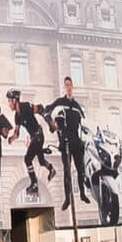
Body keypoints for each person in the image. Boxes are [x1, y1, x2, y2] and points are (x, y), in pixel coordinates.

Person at [45, 76, 90, 212]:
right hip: (65, 141)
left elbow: (85, 123)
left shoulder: (77, 106)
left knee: (80, 168)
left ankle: (82, 193)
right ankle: (67, 199)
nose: (68, 87)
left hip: (76, 141)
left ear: (72, 87)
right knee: (67, 171)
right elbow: (47, 112)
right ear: (64, 87)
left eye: (70, 85)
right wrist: (51, 123)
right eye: (66, 85)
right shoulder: (60, 103)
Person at [7, 89, 56, 196]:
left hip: (38, 135)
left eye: (10, 101)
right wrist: (11, 138)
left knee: (27, 159)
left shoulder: (25, 106)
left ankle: (34, 184)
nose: (9, 104)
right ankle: (51, 168)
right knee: (41, 161)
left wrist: (50, 124)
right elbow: (17, 133)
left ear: (15, 100)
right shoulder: (17, 116)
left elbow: (40, 109)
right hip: (35, 137)